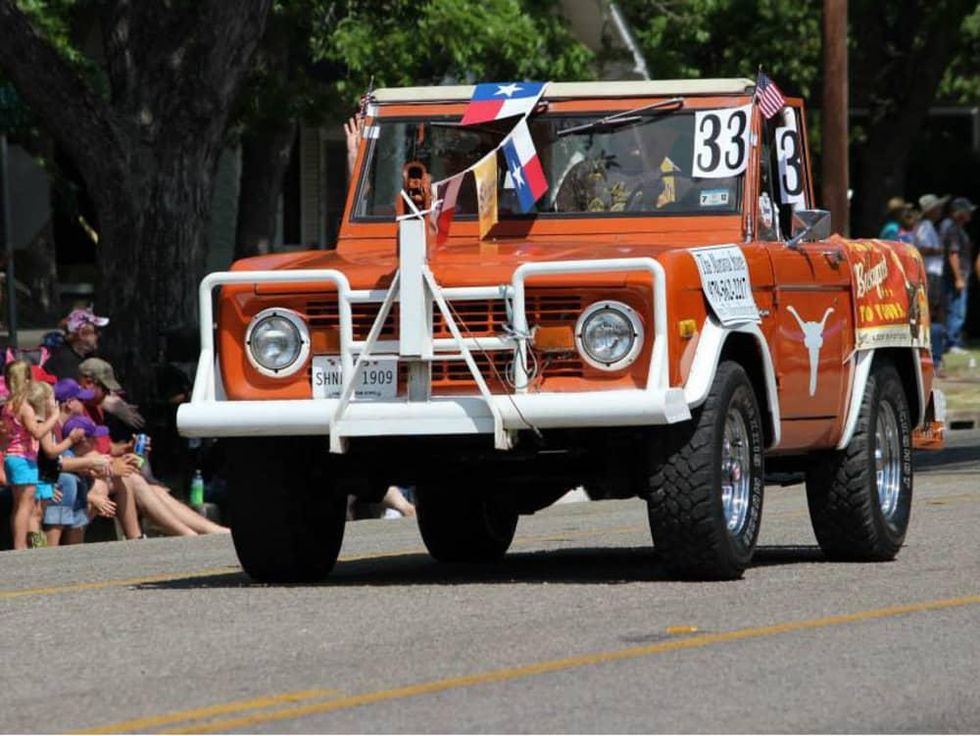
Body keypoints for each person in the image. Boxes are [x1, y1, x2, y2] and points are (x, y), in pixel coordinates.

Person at [42, 378, 118, 545]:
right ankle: (49, 551)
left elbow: (66, 460)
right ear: (69, 403)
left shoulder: (63, 426)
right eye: (81, 400)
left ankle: (76, 550)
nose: (85, 404)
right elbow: (54, 462)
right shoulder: (52, 426)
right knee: (67, 481)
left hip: (51, 477)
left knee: (79, 481)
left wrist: (89, 467)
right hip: (41, 481)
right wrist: (90, 463)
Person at [2, 360, 60, 549]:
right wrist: (53, 417)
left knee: (19, 505)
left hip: (12, 457)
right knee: (26, 505)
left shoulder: (7, 406)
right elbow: (36, 432)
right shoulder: (24, 407)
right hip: (23, 458)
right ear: (26, 379)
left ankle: (20, 544)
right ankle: (20, 546)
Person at [913, 194, 949, 376]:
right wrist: (941, 250)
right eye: (938, 208)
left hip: (935, 274)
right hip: (931, 274)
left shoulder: (930, 227)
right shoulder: (925, 227)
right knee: (934, 314)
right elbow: (923, 249)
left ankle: (936, 358)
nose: (940, 211)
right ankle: (934, 360)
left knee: (938, 313)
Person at [939, 197, 976, 355]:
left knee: (956, 309)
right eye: (967, 211)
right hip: (955, 276)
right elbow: (953, 254)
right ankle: (951, 342)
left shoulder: (956, 228)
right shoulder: (953, 229)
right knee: (956, 309)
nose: (970, 214)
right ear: (959, 212)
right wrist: (959, 278)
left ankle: (952, 340)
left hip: (959, 275)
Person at [43, 307, 109, 381]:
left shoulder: (86, 356)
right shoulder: (65, 362)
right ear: (82, 335)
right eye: (96, 331)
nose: (99, 335)